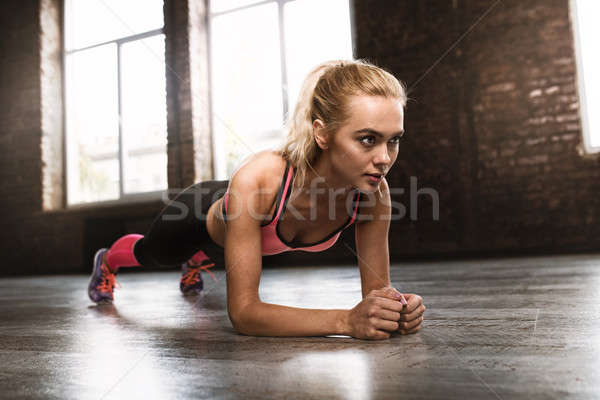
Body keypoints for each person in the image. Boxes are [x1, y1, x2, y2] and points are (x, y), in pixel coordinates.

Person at [87, 59, 426, 340]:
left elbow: (377, 298)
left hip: (238, 230)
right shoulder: (259, 178)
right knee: (152, 254)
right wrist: (345, 321)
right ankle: (108, 261)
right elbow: (245, 314)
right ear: (322, 133)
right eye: (368, 139)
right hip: (200, 211)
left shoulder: (372, 196)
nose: (384, 158)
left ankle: (198, 259)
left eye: (393, 141)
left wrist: (396, 310)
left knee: (216, 249)